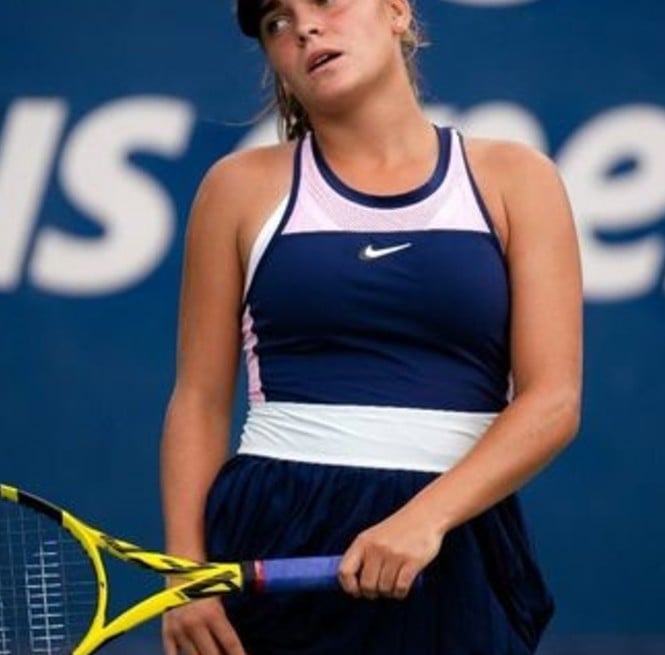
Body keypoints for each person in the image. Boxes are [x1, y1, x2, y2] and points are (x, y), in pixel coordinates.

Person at [160, 0, 582, 653]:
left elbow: (553, 401)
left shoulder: (517, 179)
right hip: (277, 529)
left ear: (397, 12)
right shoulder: (237, 189)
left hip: (456, 538)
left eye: (326, 1)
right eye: (277, 21)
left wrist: (426, 518)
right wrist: (187, 575)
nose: (303, 27)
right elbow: (199, 399)